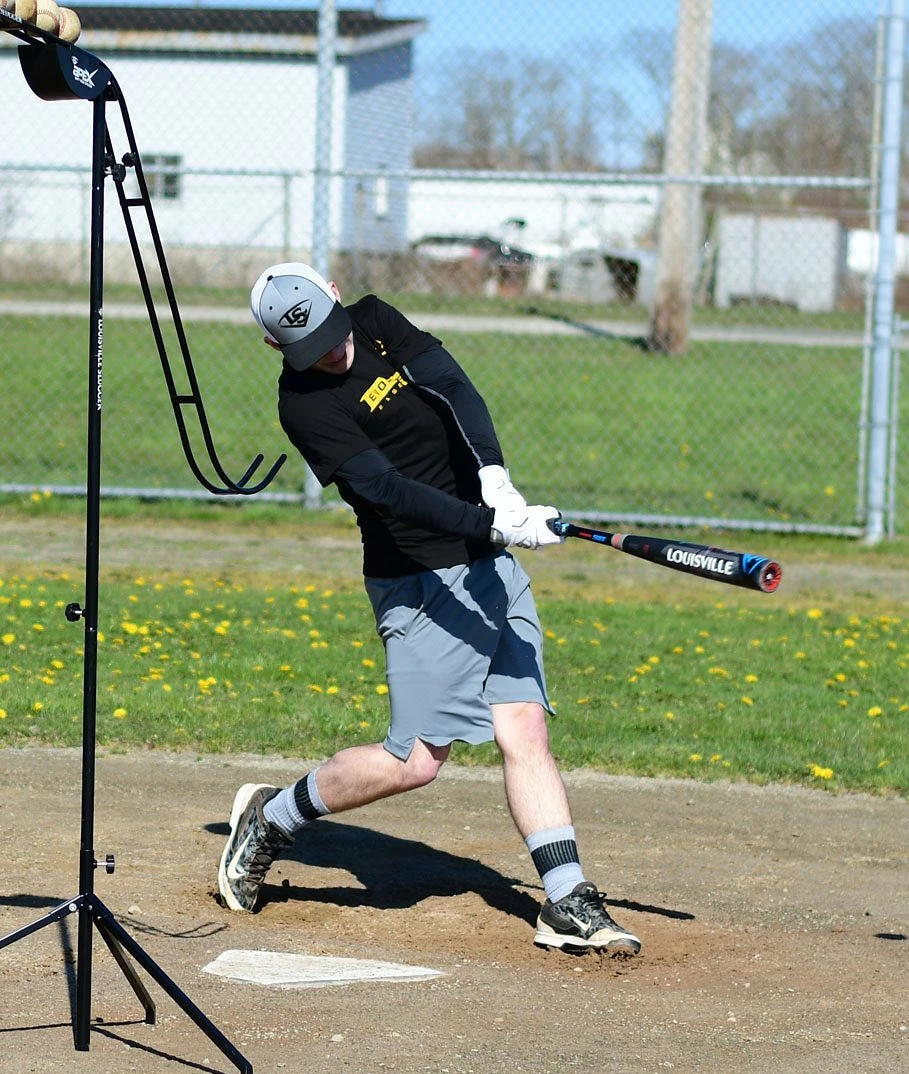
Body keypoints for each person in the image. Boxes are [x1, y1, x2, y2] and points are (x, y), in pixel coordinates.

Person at [216, 262, 641, 956]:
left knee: (524, 728)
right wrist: (492, 527)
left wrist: (495, 481)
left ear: (332, 293)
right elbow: (386, 491)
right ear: (275, 348)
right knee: (414, 761)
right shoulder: (304, 405)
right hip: (420, 579)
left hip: (486, 560)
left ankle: (565, 899)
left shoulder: (377, 319)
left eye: (329, 329)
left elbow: (452, 386)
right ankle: (272, 817)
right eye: (306, 348)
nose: (330, 351)